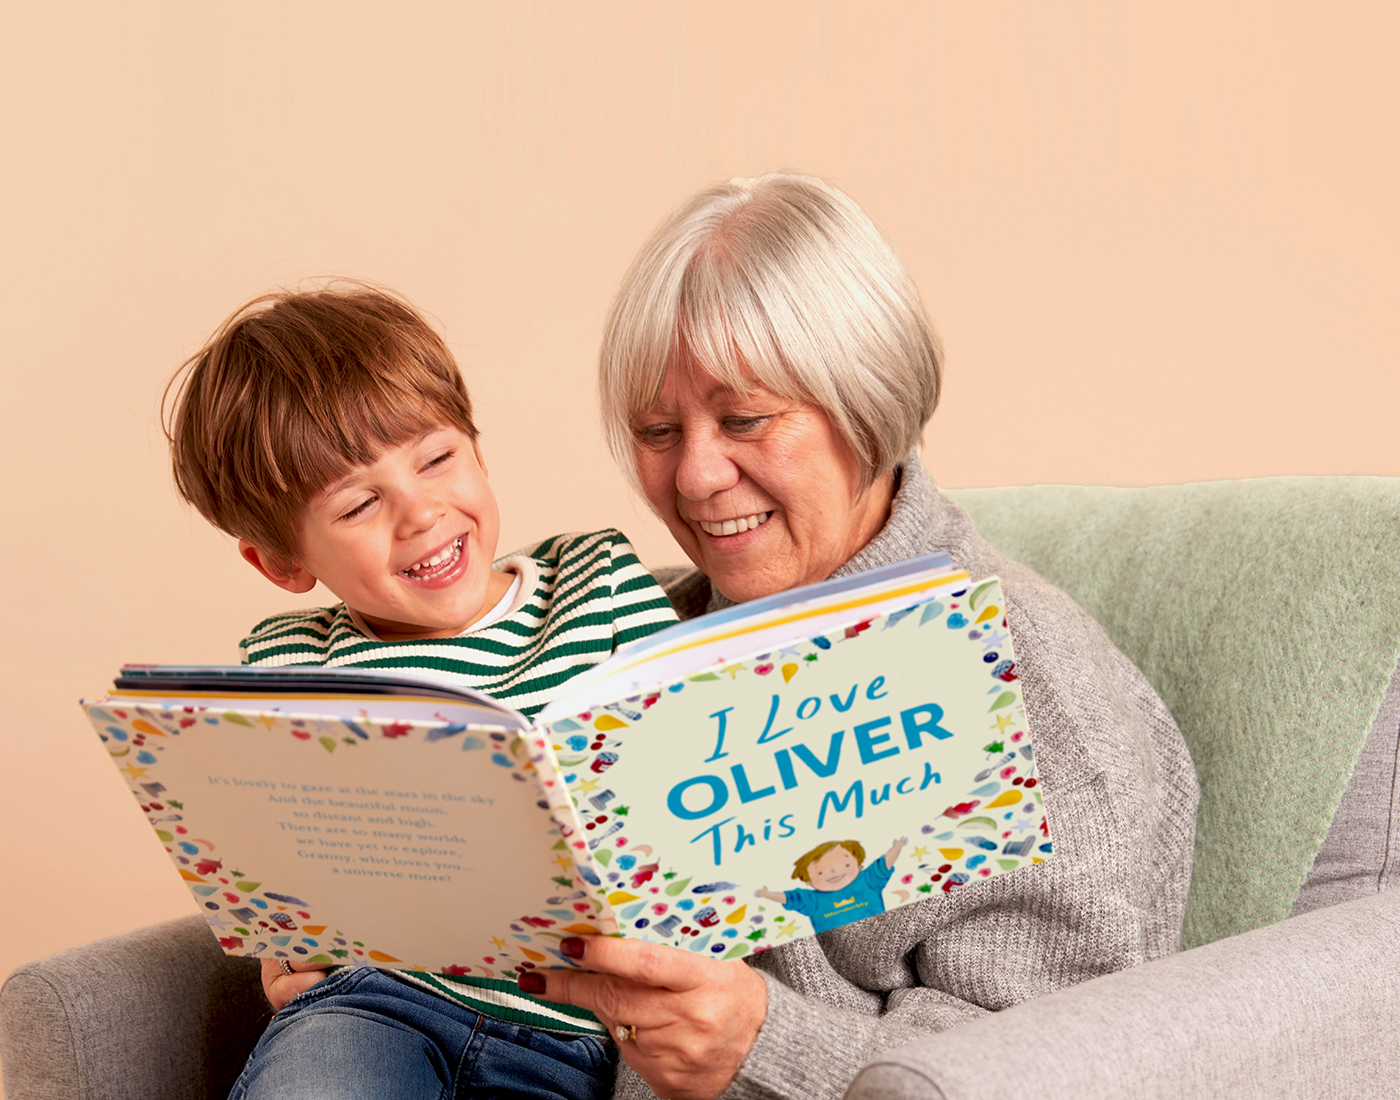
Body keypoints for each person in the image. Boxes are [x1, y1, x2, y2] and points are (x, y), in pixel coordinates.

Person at [517, 173, 1200, 1100]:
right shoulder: (630, 640)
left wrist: (761, 1045)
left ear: (866, 403)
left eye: (746, 419)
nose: (697, 475)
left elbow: (1050, 1072)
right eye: (657, 429)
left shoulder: (1041, 702)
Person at [163, 283, 680, 1100]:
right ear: (284, 563)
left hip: (571, 1039)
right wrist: (283, 942)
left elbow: (688, 769)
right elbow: (278, 877)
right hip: (375, 1010)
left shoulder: (599, 583)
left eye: (436, 459)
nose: (421, 512)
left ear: (477, 447)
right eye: (360, 503)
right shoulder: (288, 666)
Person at [755, 837, 909, 934]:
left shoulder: (867, 881)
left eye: (846, 864)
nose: (834, 872)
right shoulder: (813, 900)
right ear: (808, 880)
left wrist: (896, 849)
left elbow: (883, 866)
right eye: (820, 873)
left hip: (880, 932)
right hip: (836, 949)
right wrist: (767, 894)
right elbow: (790, 898)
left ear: (858, 864)